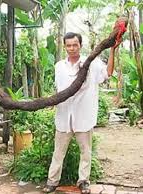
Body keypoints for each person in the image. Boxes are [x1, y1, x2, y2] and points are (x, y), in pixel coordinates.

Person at [43, 32, 121, 193]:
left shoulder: (92, 63)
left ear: (80, 45)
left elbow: (108, 73)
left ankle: (83, 181)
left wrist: (113, 50)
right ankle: (52, 181)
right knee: (58, 152)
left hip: (84, 116)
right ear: (65, 46)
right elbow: (59, 89)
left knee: (86, 152)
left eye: (75, 45)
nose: (71, 48)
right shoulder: (59, 66)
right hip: (63, 116)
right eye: (68, 45)